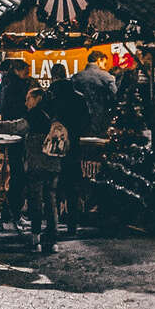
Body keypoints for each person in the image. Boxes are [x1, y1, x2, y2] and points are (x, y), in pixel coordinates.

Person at [0, 86, 58, 252]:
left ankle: (36, 238)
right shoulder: (53, 113)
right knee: (51, 200)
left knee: (35, 200)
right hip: (53, 163)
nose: (25, 102)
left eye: (28, 99)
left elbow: (16, 127)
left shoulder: (34, 115)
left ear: (36, 99)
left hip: (37, 163)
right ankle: (53, 238)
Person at [42, 63, 90, 236]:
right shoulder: (79, 97)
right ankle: (72, 224)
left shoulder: (50, 97)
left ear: (53, 77)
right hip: (73, 148)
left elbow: (43, 119)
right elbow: (86, 122)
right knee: (72, 187)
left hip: (52, 149)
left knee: (51, 188)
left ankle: (52, 224)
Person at [0, 60, 30, 226]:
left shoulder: (4, 83)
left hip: (8, 134)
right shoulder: (19, 86)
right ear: (18, 70)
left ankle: (8, 210)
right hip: (19, 134)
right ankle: (14, 211)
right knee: (19, 175)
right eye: (26, 71)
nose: (28, 74)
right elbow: (23, 109)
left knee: (15, 173)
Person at [71, 50, 117, 137]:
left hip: (80, 120)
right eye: (104, 63)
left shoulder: (76, 77)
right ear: (99, 60)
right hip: (101, 120)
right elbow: (114, 96)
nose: (104, 66)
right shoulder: (106, 76)